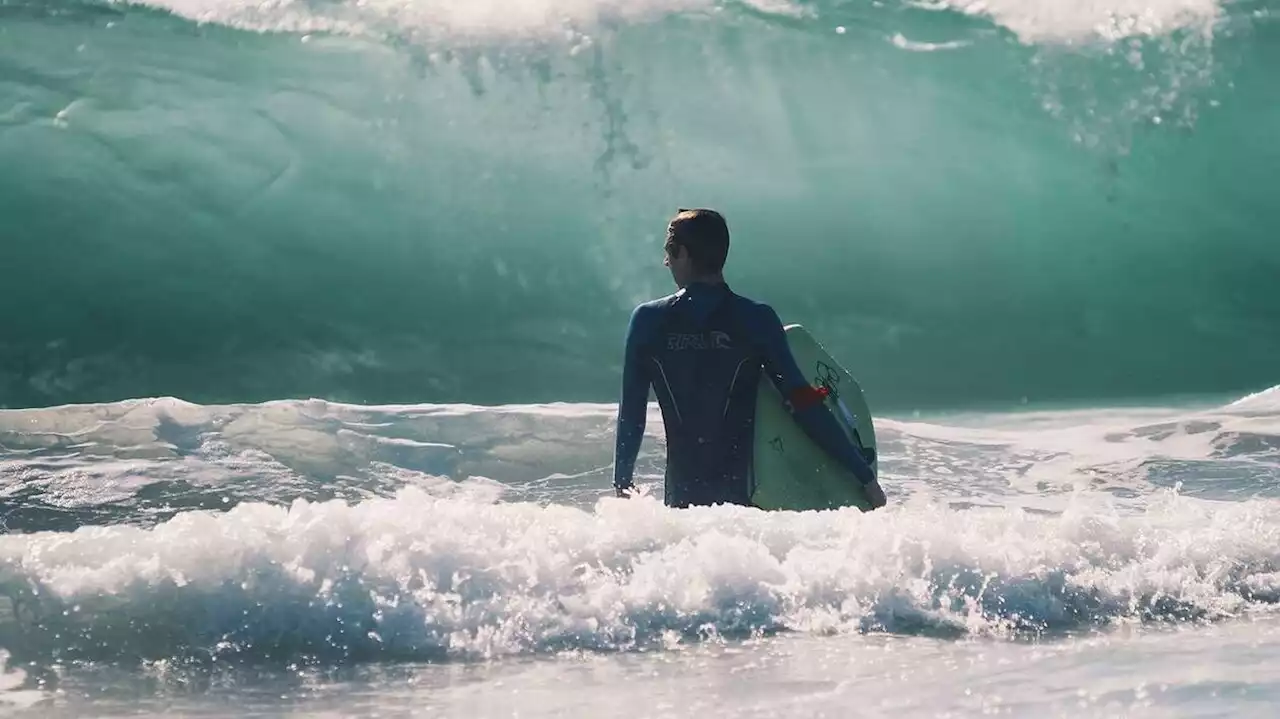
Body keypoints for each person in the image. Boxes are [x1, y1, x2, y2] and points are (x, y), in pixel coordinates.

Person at [612, 208, 887, 510]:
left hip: (680, 512)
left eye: (670, 250)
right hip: (746, 511)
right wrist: (863, 476)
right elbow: (804, 403)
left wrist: (622, 483)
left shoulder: (648, 321)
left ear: (685, 254)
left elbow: (632, 413)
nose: (666, 261)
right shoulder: (756, 319)